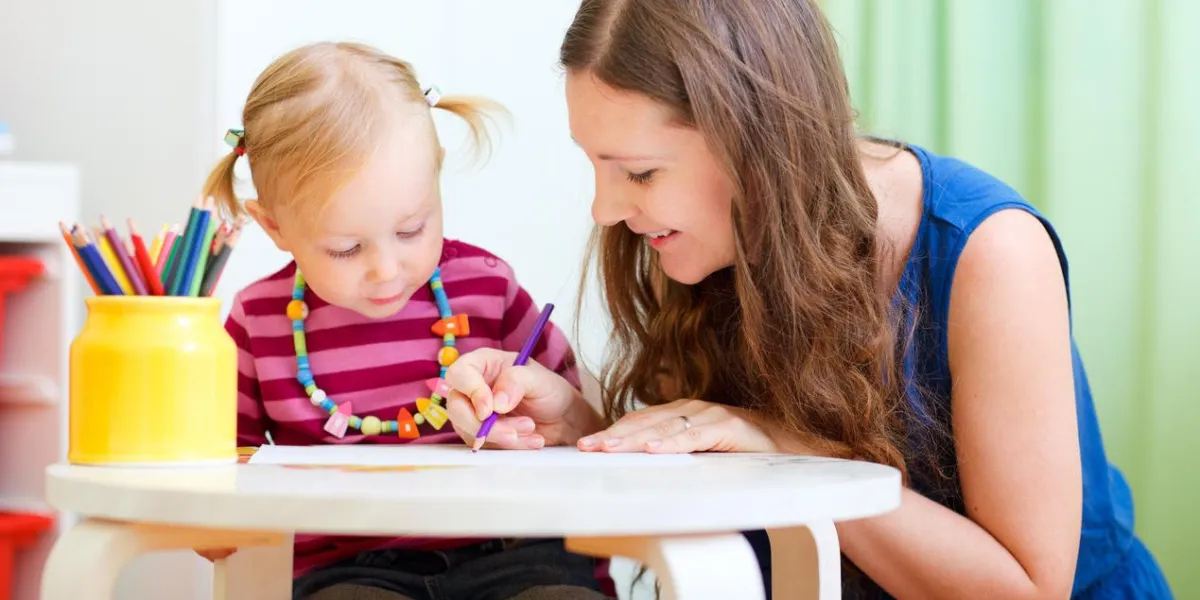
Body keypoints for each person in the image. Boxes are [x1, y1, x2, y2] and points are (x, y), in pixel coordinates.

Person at [443, 1, 1174, 598]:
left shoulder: (991, 252)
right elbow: (719, 454)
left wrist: (788, 453)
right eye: (596, 166)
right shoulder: (699, 245)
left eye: (638, 173)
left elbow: (1026, 590)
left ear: (754, 143)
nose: (604, 210)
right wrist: (580, 422)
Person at [203, 42, 612, 600]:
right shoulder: (258, 324)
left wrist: (533, 423)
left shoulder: (488, 289)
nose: (387, 269)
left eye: (411, 229)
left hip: (518, 550)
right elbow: (222, 461)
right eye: (347, 248)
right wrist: (216, 513)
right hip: (352, 569)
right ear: (274, 226)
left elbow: (585, 436)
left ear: (436, 174)